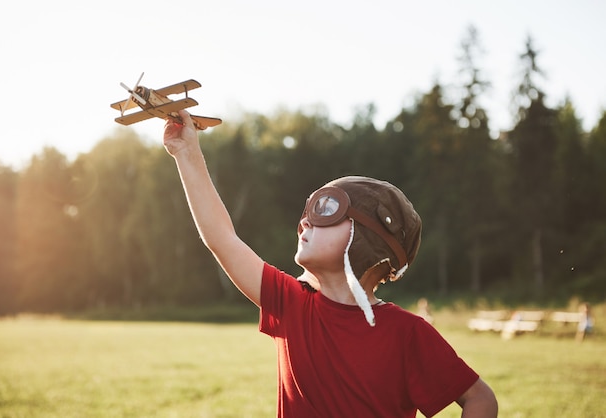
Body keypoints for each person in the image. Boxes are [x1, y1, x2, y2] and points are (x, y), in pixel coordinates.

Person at [163, 110, 498, 418]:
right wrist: (186, 152)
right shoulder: (292, 304)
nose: (304, 223)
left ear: (367, 237)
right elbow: (222, 238)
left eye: (324, 211)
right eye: (306, 212)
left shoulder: (407, 333)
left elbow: (480, 400)